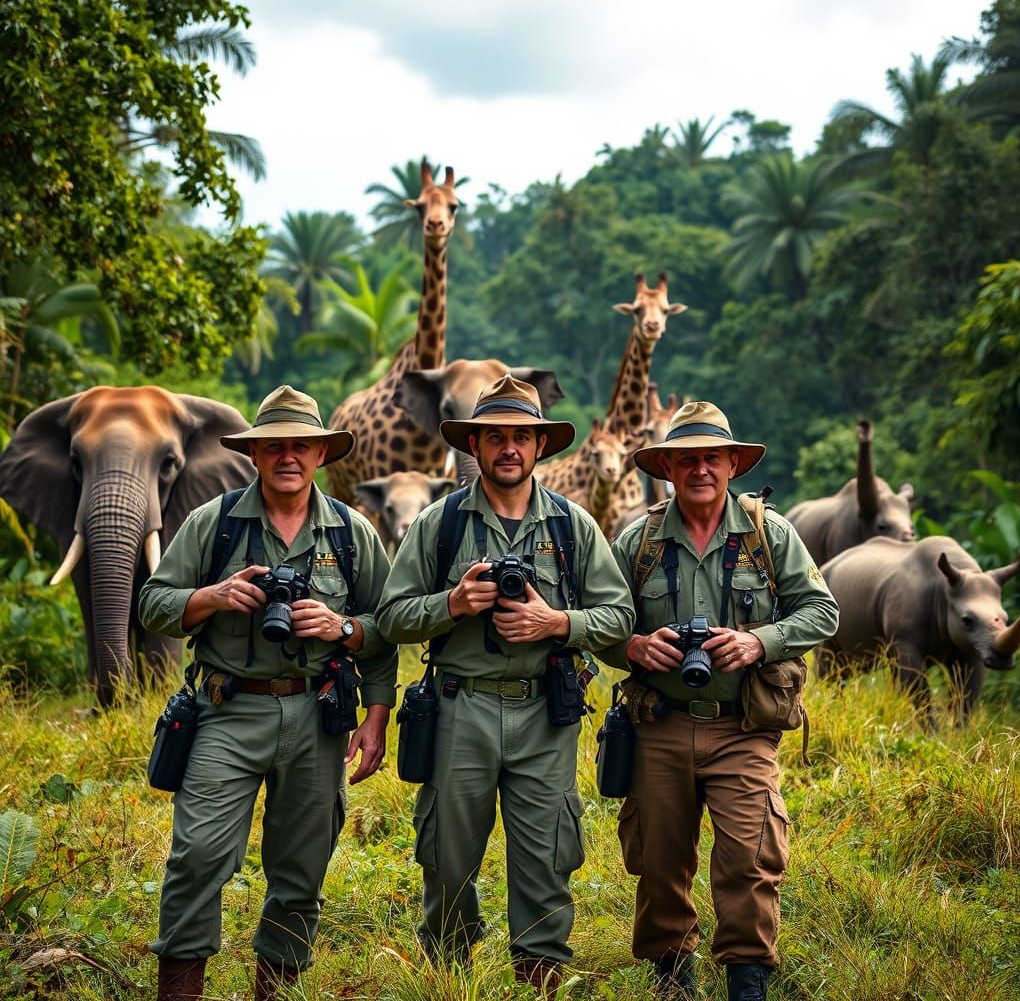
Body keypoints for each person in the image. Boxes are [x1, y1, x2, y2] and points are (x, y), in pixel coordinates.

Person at [376, 375, 635, 993]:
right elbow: (390, 616)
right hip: (459, 707)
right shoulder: (438, 524)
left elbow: (620, 616)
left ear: (540, 446)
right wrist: (454, 603)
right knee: (447, 859)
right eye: (496, 437)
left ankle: (540, 978)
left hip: (547, 711)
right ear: (477, 445)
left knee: (547, 859)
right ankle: (447, 978)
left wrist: (557, 621)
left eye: (522, 436)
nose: (509, 448)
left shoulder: (574, 527)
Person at [139, 386, 397, 1001]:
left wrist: (367, 691)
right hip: (227, 710)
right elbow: (152, 603)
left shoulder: (351, 533)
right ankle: (180, 989)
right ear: (254, 455)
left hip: (318, 713)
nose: (288, 455)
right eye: (274, 445)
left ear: (320, 455)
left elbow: (385, 629)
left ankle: (274, 990)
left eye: (301, 445)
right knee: (198, 853)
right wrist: (213, 596)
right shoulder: (215, 522)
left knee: (301, 869)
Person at [601, 401, 839, 1001]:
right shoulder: (640, 540)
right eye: (687, 459)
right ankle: (671, 976)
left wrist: (759, 641)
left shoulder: (768, 534)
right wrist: (633, 646)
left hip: (743, 726)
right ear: (668, 467)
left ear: (732, 463)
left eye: (712, 457)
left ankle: (747, 980)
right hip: (659, 723)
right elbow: (600, 623)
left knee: (751, 856)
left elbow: (823, 611)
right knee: (659, 859)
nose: (700, 469)